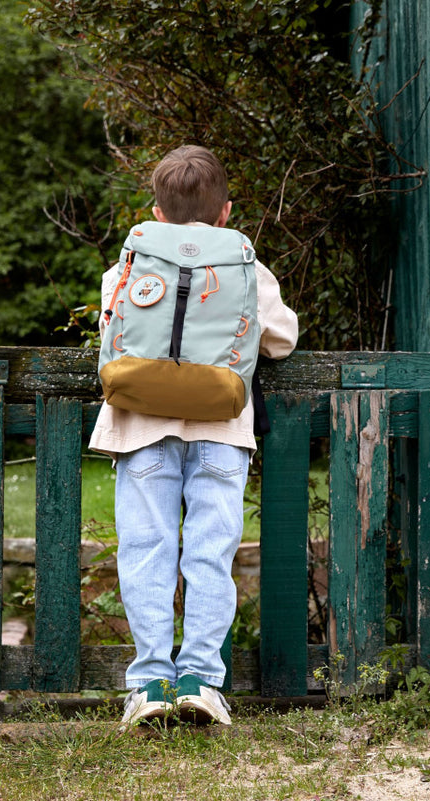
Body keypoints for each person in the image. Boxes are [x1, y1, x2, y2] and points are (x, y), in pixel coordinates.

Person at [89, 145, 299, 726]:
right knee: (210, 554)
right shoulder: (246, 267)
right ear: (226, 212)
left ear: (155, 212)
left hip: (141, 429)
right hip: (221, 427)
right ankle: (201, 682)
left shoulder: (125, 266)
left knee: (145, 552)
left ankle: (151, 683)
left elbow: (113, 336)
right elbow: (281, 340)